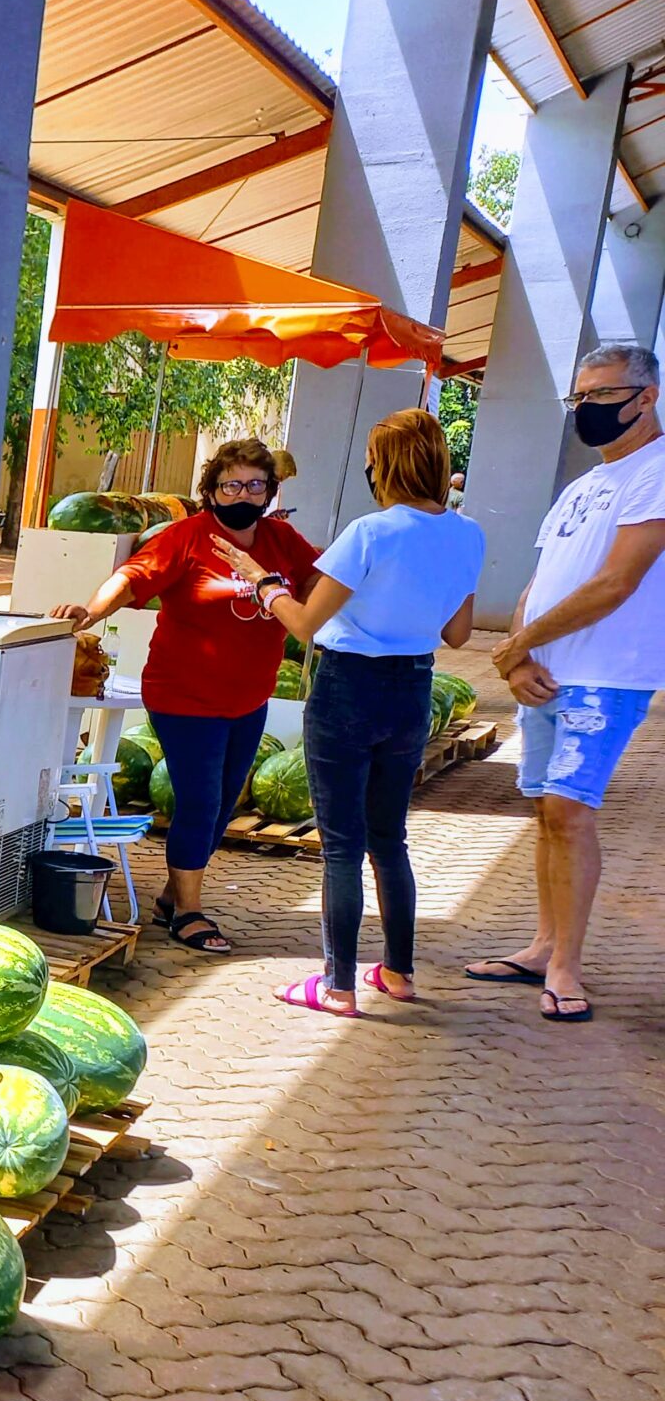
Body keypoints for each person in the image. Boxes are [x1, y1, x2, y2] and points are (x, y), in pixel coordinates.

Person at [224, 410, 482, 1017]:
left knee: (341, 844)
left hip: (348, 688)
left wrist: (263, 583)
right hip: (414, 687)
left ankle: (336, 986)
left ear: (383, 466)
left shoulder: (371, 532)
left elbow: (305, 623)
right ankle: (397, 972)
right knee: (389, 839)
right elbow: (461, 633)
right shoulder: (467, 533)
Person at [49, 439, 321, 954]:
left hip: (249, 697)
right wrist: (89, 613)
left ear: (270, 491)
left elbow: (321, 580)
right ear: (212, 490)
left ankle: (174, 895)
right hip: (183, 695)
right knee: (198, 800)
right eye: (232, 484)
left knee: (220, 805)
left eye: (254, 484)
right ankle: (190, 913)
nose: (243, 494)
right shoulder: (187, 538)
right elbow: (131, 579)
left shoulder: (282, 539)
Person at [467, 341, 665, 1023]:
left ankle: (566, 966)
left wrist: (522, 643)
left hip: (605, 676)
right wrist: (519, 658)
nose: (587, 411)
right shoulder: (584, 486)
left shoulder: (657, 472)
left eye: (602, 397)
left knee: (571, 811)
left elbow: (618, 581)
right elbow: (539, 580)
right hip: (549, 673)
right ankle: (542, 943)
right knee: (546, 812)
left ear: (646, 397)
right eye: (579, 398)